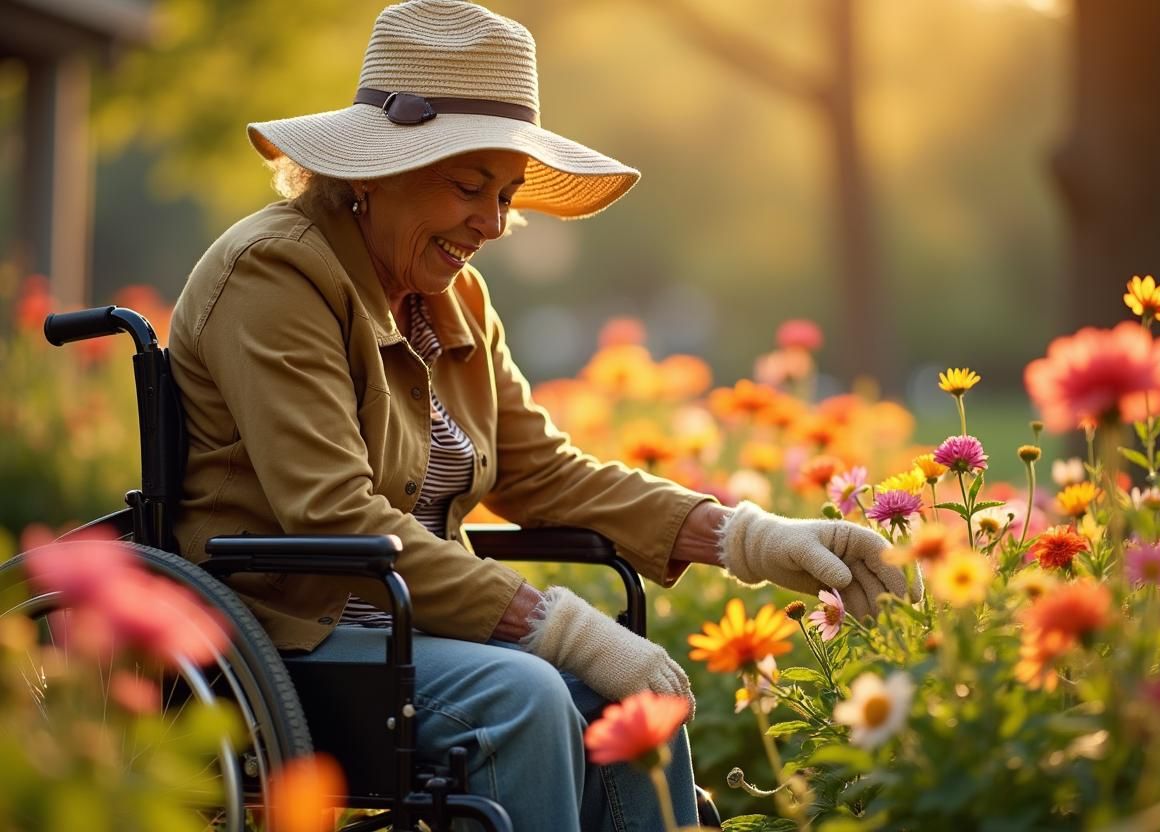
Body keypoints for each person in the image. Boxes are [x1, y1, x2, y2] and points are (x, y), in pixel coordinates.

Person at [169, 1, 923, 829]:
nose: (491, 225)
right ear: (375, 170)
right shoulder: (275, 274)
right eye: (468, 187)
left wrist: (752, 539)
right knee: (527, 691)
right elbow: (333, 516)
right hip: (287, 634)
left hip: (411, 633)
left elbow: (541, 472)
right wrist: (560, 627)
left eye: (507, 194)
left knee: (631, 706)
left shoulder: (450, 296)